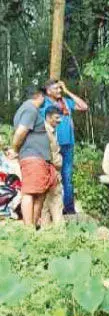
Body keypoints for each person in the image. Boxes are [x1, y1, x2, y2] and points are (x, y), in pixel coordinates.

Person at [42, 79, 89, 215]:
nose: (59, 91)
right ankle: (48, 209)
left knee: (67, 177)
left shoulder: (65, 102)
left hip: (68, 144)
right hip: (52, 144)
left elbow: (84, 106)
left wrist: (67, 91)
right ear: (48, 91)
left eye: (60, 88)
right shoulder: (44, 103)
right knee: (51, 176)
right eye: (56, 88)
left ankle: (68, 209)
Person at [12, 87, 57, 227]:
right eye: (44, 97)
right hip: (33, 157)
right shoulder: (30, 109)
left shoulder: (28, 110)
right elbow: (21, 132)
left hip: (38, 158)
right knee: (30, 192)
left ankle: (33, 226)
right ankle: (28, 228)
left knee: (39, 192)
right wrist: (14, 149)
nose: (45, 100)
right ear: (39, 96)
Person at [40, 106, 64, 226]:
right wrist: (57, 166)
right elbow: (50, 154)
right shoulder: (46, 131)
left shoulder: (48, 130)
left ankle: (46, 233)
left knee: (45, 204)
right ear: (48, 117)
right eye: (57, 117)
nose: (59, 120)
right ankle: (59, 232)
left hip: (46, 171)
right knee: (56, 200)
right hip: (51, 170)